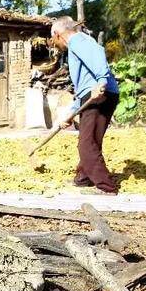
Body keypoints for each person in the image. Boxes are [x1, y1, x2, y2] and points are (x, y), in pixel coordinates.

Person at [50, 17, 120, 194]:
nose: (54, 45)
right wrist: (70, 113)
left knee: (86, 143)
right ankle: (84, 177)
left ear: (57, 35)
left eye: (53, 40)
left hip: (99, 94)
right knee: (92, 139)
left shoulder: (78, 41)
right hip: (98, 94)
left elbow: (97, 53)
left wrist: (102, 81)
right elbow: (83, 88)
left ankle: (106, 187)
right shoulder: (80, 42)